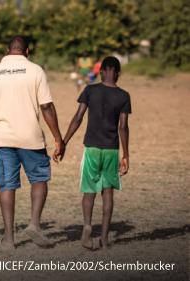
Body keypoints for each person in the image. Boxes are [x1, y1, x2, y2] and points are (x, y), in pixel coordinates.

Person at [0, 36, 65, 251]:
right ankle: (34, 223)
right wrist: (57, 137)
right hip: (31, 138)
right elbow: (46, 107)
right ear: (26, 51)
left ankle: (8, 240)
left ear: (8, 50)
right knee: (39, 179)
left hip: (2, 138)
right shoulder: (36, 71)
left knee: (7, 185)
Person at [61, 57, 130, 250]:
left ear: (101, 72)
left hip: (91, 148)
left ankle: (87, 225)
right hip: (111, 150)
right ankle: (105, 240)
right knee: (108, 194)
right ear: (118, 73)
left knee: (89, 192)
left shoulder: (90, 90)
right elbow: (123, 127)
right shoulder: (124, 96)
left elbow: (78, 117)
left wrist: (64, 142)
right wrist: (126, 155)